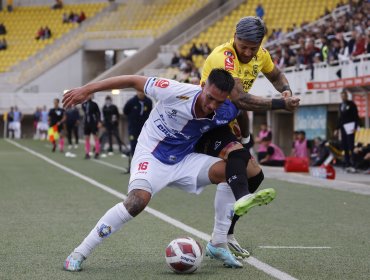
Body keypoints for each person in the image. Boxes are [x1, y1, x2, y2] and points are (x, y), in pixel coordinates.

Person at [62, 69, 298, 271]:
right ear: (202, 86)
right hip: (152, 154)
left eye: (219, 101)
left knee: (233, 171)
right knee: (137, 202)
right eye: (210, 98)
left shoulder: (225, 107)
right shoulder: (175, 90)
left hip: (185, 159)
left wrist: (244, 138)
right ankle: (78, 253)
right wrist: (88, 89)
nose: (212, 105)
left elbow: (239, 110)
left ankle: (218, 243)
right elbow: (133, 80)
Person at [197, 16, 297, 259]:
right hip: (206, 119)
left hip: (230, 120)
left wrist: (286, 89)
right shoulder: (224, 57)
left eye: (253, 48)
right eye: (243, 46)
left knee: (255, 175)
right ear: (235, 38)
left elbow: (276, 75)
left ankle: (225, 235)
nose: (248, 52)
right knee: (239, 162)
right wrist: (280, 103)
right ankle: (219, 239)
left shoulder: (260, 54)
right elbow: (240, 98)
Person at [123, 90, 152, 163]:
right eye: (139, 92)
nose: (140, 93)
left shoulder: (148, 101)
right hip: (133, 128)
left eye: (141, 92)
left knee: (144, 146)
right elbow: (125, 111)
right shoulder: (131, 102)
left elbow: (149, 112)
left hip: (144, 128)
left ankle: (143, 163)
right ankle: (133, 164)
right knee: (133, 145)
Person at [334, 90, 360, 170]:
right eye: (341, 96)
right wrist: (336, 128)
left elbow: (356, 116)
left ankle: (353, 163)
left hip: (350, 127)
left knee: (351, 146)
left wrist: (355, 127)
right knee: (344, 145)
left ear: (347, 96)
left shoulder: (351, 104)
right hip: (343, 128)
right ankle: (347, 162)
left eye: (344, 95)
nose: (343, 97)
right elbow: (340, 118)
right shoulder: (341, 105)